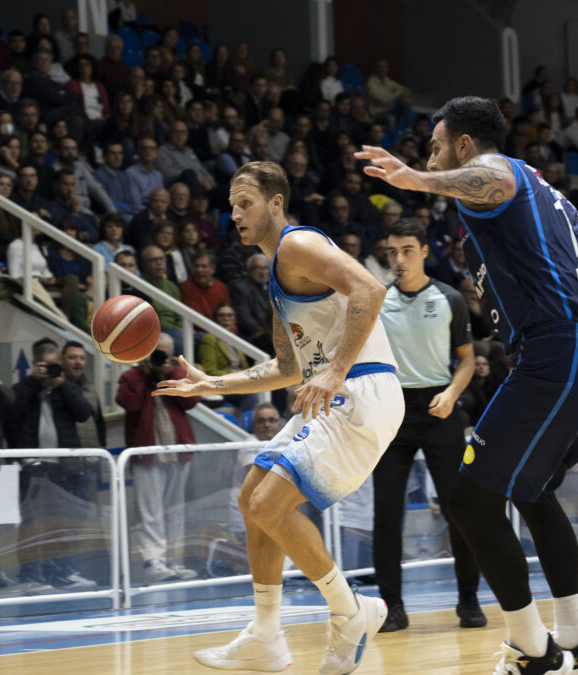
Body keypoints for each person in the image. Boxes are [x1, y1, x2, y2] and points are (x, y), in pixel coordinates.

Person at [356, 96, 578, 673]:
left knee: (468, 500)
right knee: (530, 493)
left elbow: (492, 173)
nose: (429, 158)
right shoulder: (548, 195)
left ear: (462, 145)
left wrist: (414, 177)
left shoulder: (503, 173)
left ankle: (533, 651)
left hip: (563, 353)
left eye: (435, 147)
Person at [155, 161, 402, 674]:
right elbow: (288, 368)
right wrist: (213, 384)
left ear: (275, 202)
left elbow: (371, 290)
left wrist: (334, 372)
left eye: (244, 202)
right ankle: (266, 635)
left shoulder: (298, 245)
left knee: (269, 503)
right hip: (333, 390)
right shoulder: (277, 273)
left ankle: (350, 612)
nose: (235, 212)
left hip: (361, 388)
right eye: (231, 204)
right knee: (251, 498)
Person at [370, 219, 485, 633]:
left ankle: (469, 601)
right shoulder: (377, 300)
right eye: (391, 251)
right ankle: (392, 607)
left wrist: (453, 393)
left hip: (440, 410)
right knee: (386, 515)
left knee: (460, 510)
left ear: (422, 251)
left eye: (405, 250)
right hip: (393, 412)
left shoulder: (450, 298)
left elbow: (468, 360)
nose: (397, 258)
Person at [117, 334, 200, 582]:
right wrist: (145, 373)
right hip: (147, 454)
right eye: (156, 353)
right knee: (150, 511)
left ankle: (174, 560)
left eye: (164, 354)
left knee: (175, 510)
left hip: (177, 452)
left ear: (172, 355)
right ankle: (153, 560)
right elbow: (128, 402)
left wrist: (169, 374)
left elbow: (192, 401)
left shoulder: (175, 374)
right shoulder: (132, 376)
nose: (159, 358)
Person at [6, 340, 92, 448]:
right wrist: (33, 380)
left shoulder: (68, 387)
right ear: (34, 364)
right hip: (32, 458)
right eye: (44, 366)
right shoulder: (24, 387)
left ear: (60, 364)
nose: (49, 370)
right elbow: (11, 411)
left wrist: (62, 386)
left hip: (64, 458)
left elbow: (83, 415)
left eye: (53, 365)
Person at [62, 341, 105, 448]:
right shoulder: (56, 389)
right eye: (72, 357)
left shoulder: (90, 389)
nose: (78, 362)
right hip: (68, 457)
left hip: (92, 455)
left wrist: (102, 448)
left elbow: (100, 422)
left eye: (82, 358)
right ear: (62, 361)